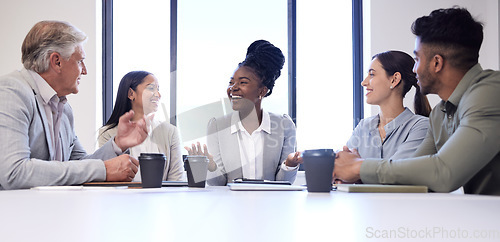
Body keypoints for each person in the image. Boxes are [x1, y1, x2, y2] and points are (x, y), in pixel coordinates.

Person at [333, 7, 500, 195]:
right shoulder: (440, 114)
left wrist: (358, 167)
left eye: (416, 59)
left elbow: (444, 173)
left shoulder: (492, 91)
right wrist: (351, 171)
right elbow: (409, 176)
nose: (413, 70)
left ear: (436, 63)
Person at [0, 20, 150, 190]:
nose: (84, 70)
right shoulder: (11, 92)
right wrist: (103, 169)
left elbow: (80, 164)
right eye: (80, 61)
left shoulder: (64, 109)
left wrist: (118, 143)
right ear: (57, 62)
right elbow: (13, 172)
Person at [187, 40, 300, 186]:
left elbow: (283, 183)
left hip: (272, 205)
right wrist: (210, 165)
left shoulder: (284, 125)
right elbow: (218, 184)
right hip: (231, 206)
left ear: (262, 91)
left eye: (243, 82)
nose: (233, 88)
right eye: (231, 82)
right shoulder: (217, 126)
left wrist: (290, 164)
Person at [343, 50, 431, 163]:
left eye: (371, 74)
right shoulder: (363, 127)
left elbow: (395, 173)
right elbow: (342, 168)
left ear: (394, 80)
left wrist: (355, 168)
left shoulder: (421, 127)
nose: (364, 82)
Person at [98, 71, 184, 181]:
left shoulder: (170, 132)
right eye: (151, 88)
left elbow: (177, 180)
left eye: (158, 89)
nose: (158, 94)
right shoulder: (107, 134)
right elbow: (108, 178)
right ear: (131, 93)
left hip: (163, 198)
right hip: (123, 198)